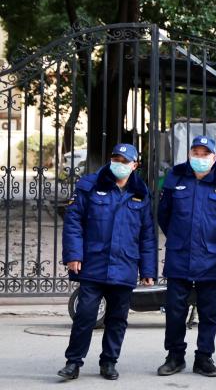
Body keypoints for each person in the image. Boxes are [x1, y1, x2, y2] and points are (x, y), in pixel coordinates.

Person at [58, 143, 157, 381]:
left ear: (135, 165)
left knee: (117, 319)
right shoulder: (89, 186)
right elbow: (73, 222)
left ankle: (109, 362)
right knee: (85, 315)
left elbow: (147, 235)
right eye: (116, 159)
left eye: (125, 161)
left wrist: (148, 269)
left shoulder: (141, 193)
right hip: (93, 264)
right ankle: (73, 362)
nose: (119, 164)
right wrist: (73, 255)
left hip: (124, 266)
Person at [156, 135, 216, 377]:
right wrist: (179, 236)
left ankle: (204, 358)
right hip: (180, 255)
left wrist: (213, 239)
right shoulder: (176, 179)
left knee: (209, 312)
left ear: (214, 157)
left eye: (205, 154)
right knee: (174, 310)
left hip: (211, 257)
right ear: (190, 155)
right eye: (196, 153)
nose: (200, 158)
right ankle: (174, 356)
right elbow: (164, 215)